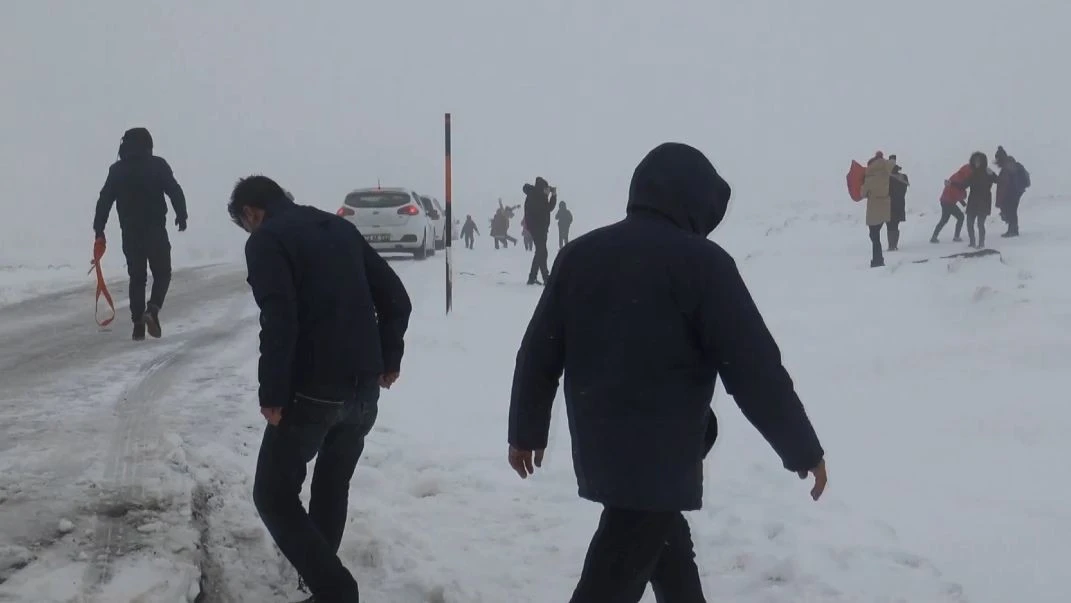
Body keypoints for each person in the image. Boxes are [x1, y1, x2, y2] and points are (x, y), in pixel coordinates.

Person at [507, 143, 827, 603]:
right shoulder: (704, 264)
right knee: (612, 575)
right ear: (693, 199)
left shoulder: (580, 255)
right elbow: (755, 369)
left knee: (664, 542)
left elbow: (537, 353)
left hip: (601, 440)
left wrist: (526, 429)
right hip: (665, 451)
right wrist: (802, 448)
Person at [228, 175, 412, 603]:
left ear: (251, 213)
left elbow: (280, 317)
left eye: (245, 224)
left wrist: (272, 393)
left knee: (272, 493)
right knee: (332, 483)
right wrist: (389, 358)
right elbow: (397, 298)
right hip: (365, 390)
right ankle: (321, 582)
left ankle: (334, 590)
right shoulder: (339, 228)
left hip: (312, 391)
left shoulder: (267, 239)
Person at [93, 127, 187, 340]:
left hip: (131, 233)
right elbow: (174, 190)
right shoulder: (158, 165)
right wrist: (181, 215)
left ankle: (137, 325)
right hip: (155, 230)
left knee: (137, 278)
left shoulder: (117, 170)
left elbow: (104, 200)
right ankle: (152, 310)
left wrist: (99, 229)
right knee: (162, 273)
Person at [859, 151, 896, 267]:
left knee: (874, 236)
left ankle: (877, 261)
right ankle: (879, 259)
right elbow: (892, 162)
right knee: (876, 234)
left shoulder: (869, 177)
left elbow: (862, 194)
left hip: (874, 208)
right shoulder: (886, 172)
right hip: (885, 207)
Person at [522, 177, 557, 285]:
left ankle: (534, 277)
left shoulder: (537, 195)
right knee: (541, 252)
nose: (547, 190)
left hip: (538, 229)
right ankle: (544, 278)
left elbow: (548, 208)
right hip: (538, 229)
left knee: (541, 252)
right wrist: (552, 195)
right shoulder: (537, 197)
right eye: (546, 188)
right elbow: (548, 208)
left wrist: (552, 195)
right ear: (542, 188)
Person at [959, 152, 998, 248]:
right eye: (975, 161)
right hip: (973, 201)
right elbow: (964, 185)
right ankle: (972, 242)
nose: (977, 163)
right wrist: (953, 184)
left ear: (982, 161)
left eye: (978, 161)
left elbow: (998, 180)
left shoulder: (988, 172)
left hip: (984, 201)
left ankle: (981, 243)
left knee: (980, 224)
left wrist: (992, 174)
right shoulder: (972, 174)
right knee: (969, 223)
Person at [994, 145, 1028, 238]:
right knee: (1012, 211)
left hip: (1012, 193)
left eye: (997, 159)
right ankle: (1012, 230)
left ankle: (1013, 231)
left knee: (1011, 211)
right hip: (1015, 192)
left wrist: (1001, 198)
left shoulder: (1008, 166)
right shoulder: (1010, 164)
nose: (997, 162)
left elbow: (1004, 183)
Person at [887, 156, 908, 251]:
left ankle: (891, 245)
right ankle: (894, 244)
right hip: (900, 203)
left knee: (890, 224)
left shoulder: (887, 178)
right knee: (895, 224)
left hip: (889, 204)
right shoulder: (904, 177)